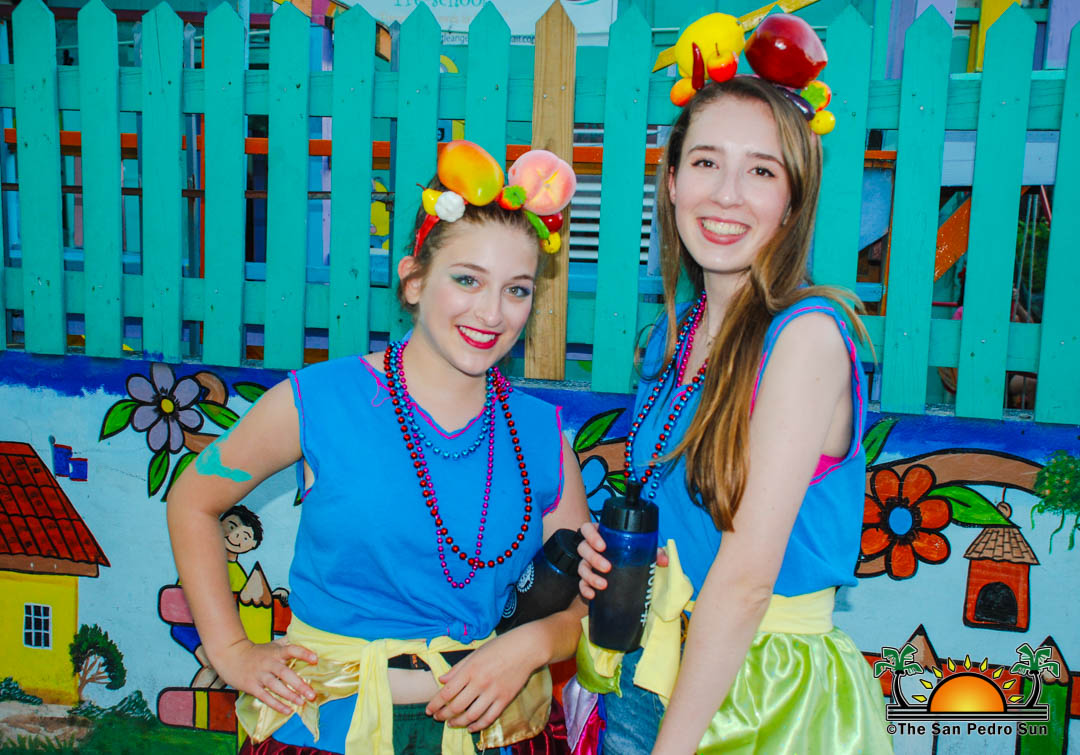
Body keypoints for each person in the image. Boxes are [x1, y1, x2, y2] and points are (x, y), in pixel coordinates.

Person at [167, 140, 588, 754]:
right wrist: (231, 650)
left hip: (494, 734)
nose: (492, 312)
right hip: (326, 731)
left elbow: (581, 602)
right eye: (467, 279)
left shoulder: (542, 435)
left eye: (516, 290)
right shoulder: (318, 400)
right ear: (414, 281)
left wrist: (533, 644)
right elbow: (192, 501)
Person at [575, 60, 892, 755]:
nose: (726, 194)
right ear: (672, 182)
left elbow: (746, 580)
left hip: (755, 693)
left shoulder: (805, 338)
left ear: (793, 201)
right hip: (648, 673)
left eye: (761, 171)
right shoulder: (672, 335)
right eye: (706, 162)